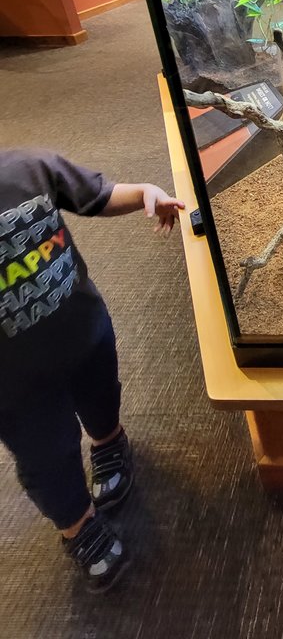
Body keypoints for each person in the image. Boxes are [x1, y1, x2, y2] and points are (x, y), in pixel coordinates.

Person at [0, 147, 184, 593]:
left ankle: (108, 442)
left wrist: (144, 191)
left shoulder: (27, 168)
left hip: (84, 331)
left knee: (102, 396)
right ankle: (78, 526)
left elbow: (94, 194)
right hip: (13, 384)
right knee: (47, 457)